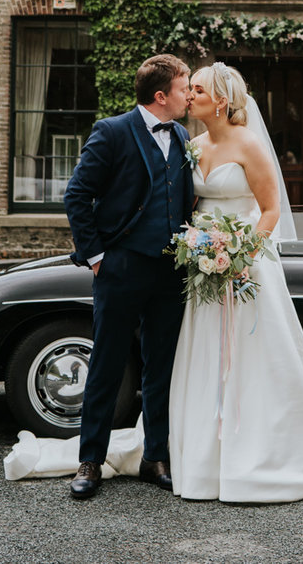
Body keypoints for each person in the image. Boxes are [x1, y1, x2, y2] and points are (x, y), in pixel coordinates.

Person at [168, 61, 303, 502]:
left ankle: (264, 457)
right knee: (205, 353)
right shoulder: (194, 142)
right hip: (204, 263)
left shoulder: (249, 145)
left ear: (222, 101)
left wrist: (240, 254)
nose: (189, 96)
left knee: (253, 354)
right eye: (189, 90)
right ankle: (204, 463)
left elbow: (270, 211)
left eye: (199, 90)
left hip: (245, 266)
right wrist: (201, 247)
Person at [62, 52, 193, 500]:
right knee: (107, 364)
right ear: (161, 96)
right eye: (184, 88)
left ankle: (154, 456)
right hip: (121, 267)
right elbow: (77, 195)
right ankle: (90, 460)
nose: (190, 95)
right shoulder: (112, 131)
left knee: (161, 365)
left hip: (171, 271)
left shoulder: (182, 135)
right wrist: (96, 256)